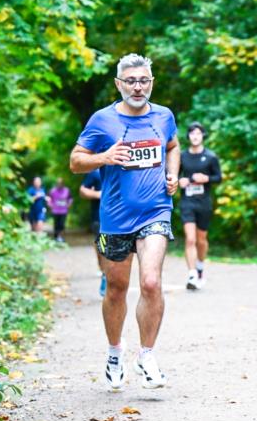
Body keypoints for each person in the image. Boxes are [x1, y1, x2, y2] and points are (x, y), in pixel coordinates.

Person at [69, 53, 180, 390]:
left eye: (143, 80)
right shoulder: (102, 120)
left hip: (155, 212)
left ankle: (147, 355)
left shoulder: (164, 116)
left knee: (150, 282)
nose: (137, 86)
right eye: (130, 81)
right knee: (116, 289)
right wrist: (104, 157)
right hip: (115, 218)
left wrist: (172, 173)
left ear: (151, 83)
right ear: (119, 84)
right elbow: (76, 161)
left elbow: (173, 146)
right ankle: (115, 351)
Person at [178, 122, 222, 290]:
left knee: (201, 240)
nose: (195, 136)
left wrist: (207, 179)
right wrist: (179, 181)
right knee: (190, 239)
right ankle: (192, 274)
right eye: (192, 133)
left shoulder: (210, 157)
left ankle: (200, 267)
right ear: (188, 136)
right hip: (187, 202)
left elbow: (218, 177)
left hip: (204, 203)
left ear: (203, 135)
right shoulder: (182, 156)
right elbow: (174, 175)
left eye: (198, 133)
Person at [80, 167, 107, 297]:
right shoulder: (96, 172)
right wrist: (99, 194)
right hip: (99, 217)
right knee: (101, 246)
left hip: (119, 217)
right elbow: (83, 190)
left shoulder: (125, 168)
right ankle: (104, 273)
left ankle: (109, 275)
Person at [48, 177, 73, 242]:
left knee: (62, 224)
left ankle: (61, 237)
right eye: (58, 183)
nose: (59, 184)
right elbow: (49, 199)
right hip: (55, 211)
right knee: (56, 224)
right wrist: (50, 205)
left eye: (60, 183)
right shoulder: (52, 191)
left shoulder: (67, 190)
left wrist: (69, 204)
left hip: (63, 211)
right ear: (56, 184)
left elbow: (70, 198)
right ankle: (56, 237)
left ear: (63, 184)